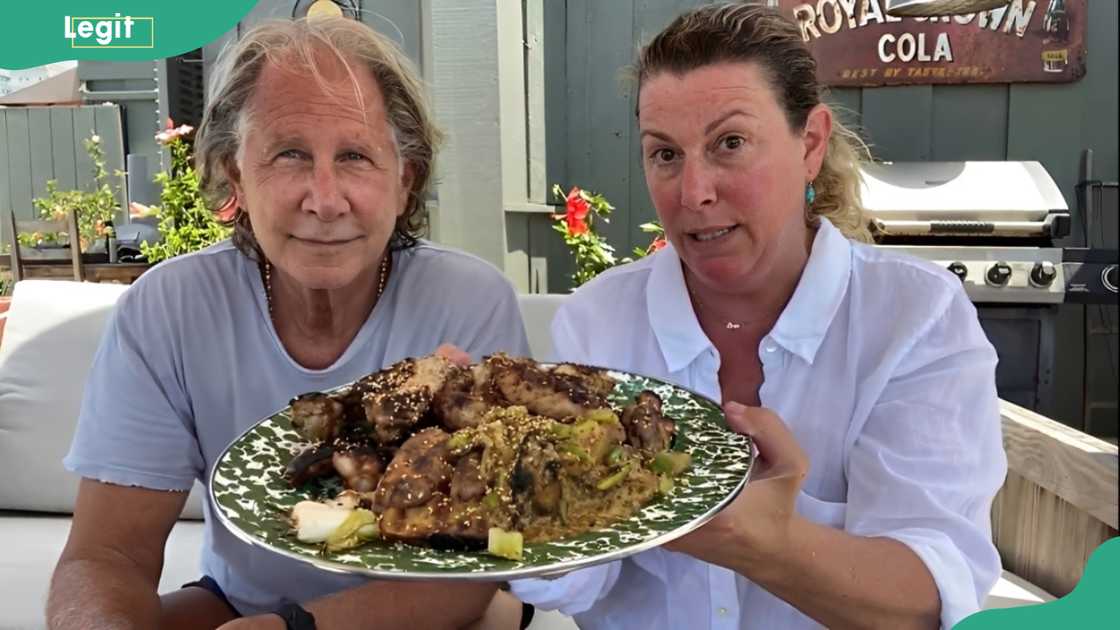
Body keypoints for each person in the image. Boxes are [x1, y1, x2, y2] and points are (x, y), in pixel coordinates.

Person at [510, 3, 1006, 629]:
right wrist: (509, 478)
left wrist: (773, 545)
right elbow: (583, 577)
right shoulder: (598, 320)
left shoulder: (913, 319)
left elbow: (924, 599)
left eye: (731, 143)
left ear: (811, 145)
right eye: (664, 154)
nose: (693, 193)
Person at [47, 16, 530, 630]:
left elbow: (476, 562)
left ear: (404, 180)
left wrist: (295, 629)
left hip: (428, 606)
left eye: (355, 156)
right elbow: (108, 554)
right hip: (243, 605)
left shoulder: (467, 298)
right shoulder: (169, 308)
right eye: (290, 154)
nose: (324, 200)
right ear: (234, 174)